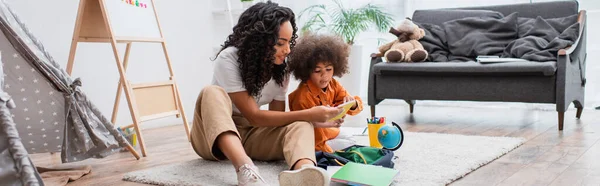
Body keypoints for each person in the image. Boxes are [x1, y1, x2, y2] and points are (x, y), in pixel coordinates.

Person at [189, 1, 343, 186]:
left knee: (301, 123)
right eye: (280, 43)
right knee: (211, 92)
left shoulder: (280, 70)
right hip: (212, 138)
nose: (287, 50)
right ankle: (246, 169)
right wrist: (310, 113)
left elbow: (276, 119)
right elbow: (253, 115)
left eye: (289, 42)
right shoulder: (229, 58)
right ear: (260, 40)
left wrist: (312, 120)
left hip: (251, 136)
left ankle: (305, 172)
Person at [287, 32, 364, 153]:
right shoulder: (302, 96)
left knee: (351, 140)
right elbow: (301, 125)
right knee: (351, 146)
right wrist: (326, 123)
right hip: (314, 140)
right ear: (307, 72)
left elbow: (353, 105)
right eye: (317, 71)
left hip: (330, 133)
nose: (325, 75)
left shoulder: (333, 84)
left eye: (329, 69)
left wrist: (353, 104)